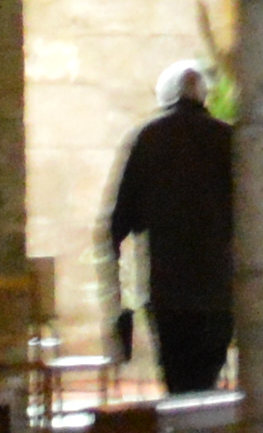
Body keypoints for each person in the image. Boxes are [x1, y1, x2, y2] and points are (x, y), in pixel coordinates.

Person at [101, 62, 237, 396]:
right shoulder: (229, 139)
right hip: (218, 292)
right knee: (206, 382)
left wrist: (116, 302)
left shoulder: (148, 138)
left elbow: (116, 225)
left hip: (167, 291)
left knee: (177, 384)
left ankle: (179, 426)